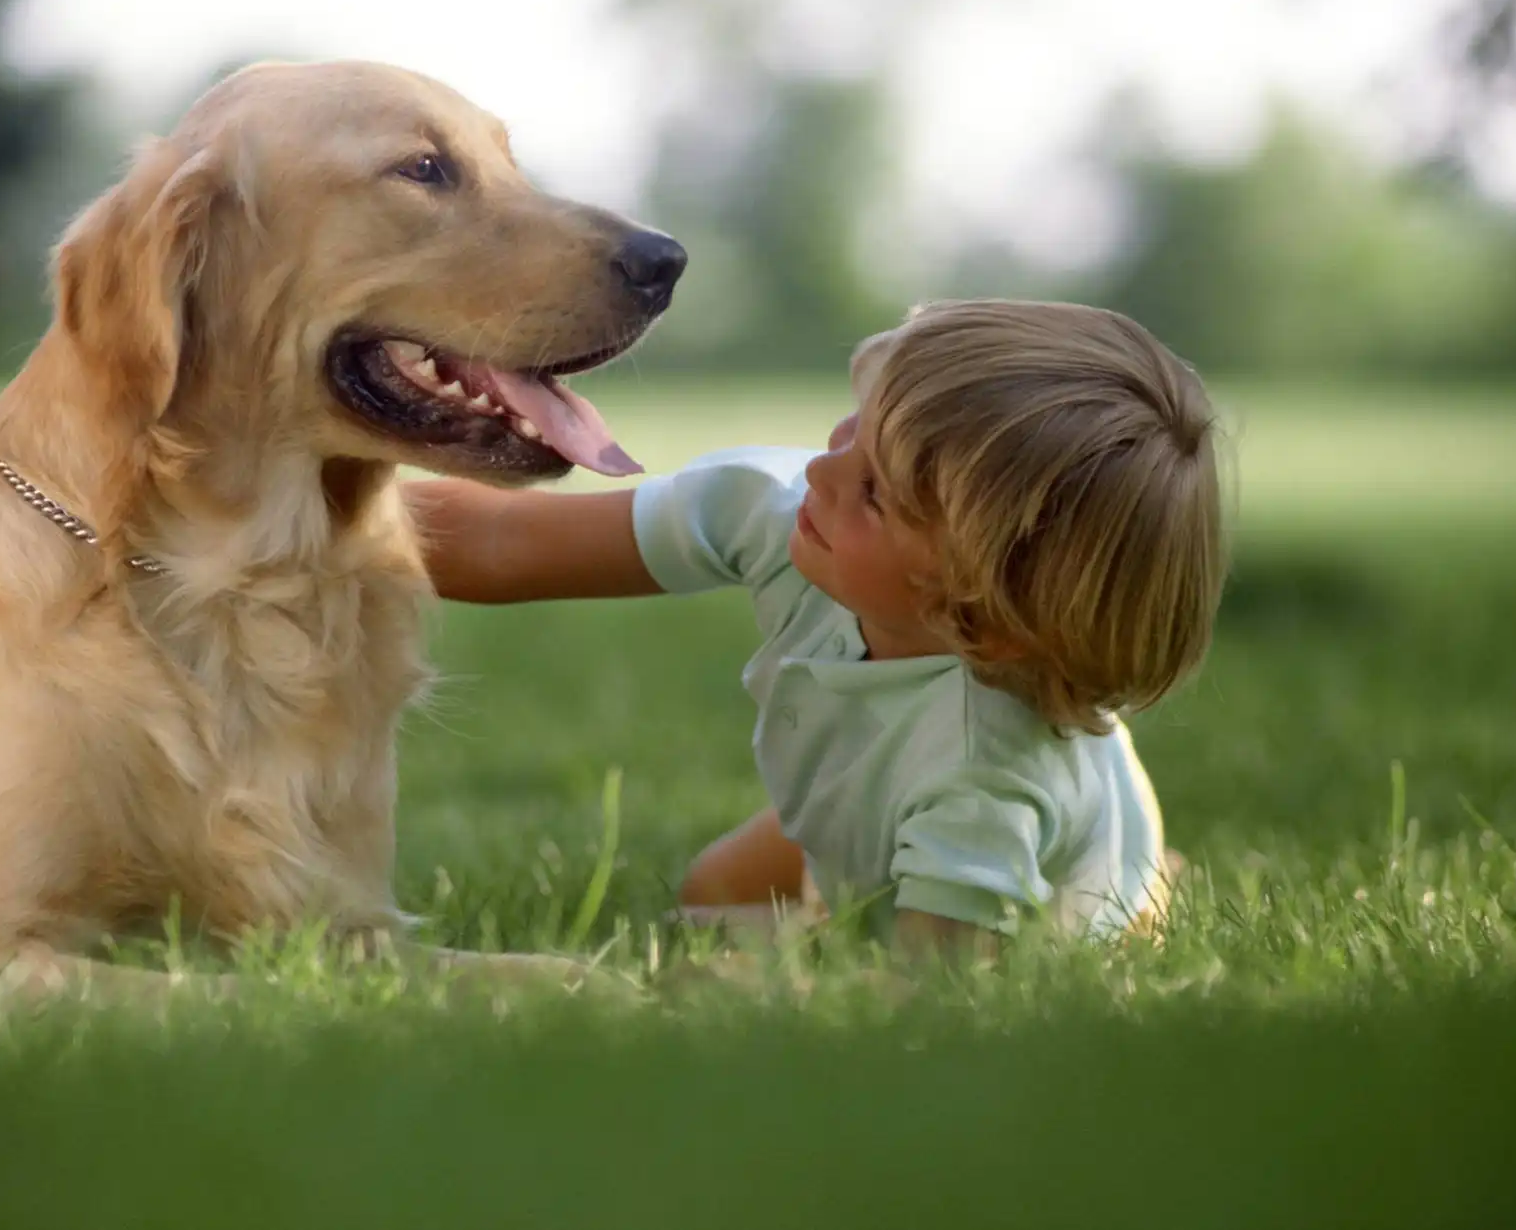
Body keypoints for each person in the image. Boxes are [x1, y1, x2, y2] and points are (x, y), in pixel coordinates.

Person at [405, 299, 1228, 960]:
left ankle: (1136, 882)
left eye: (875, 492)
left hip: (1038, 891)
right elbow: (498, 545)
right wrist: (291, 518)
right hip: (871, 785)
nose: (822, 471)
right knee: (713, 894)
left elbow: (930, 1010)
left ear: (978, 613)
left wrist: (710, 1002)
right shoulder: (782, 507)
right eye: (850, 428)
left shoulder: (981, 782)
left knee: (873, 943)